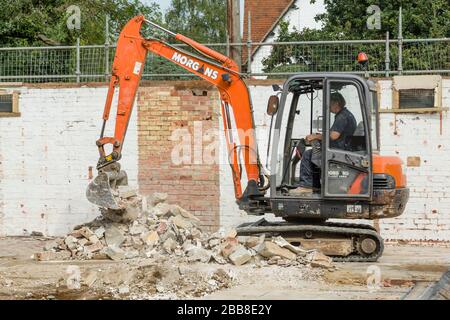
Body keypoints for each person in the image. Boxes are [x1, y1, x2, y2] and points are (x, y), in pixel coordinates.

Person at [297, 92, 356, 192]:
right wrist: (318, 136)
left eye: (330, 103)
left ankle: (306, 186)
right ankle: (314, 186)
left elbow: (333, 136)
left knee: (308, 155)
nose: (328, 106)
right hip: (342, 149)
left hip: (339, 151)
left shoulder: (342, 116)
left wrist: (316, 136)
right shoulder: (345, 115)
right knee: (313, 154)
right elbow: (334, 134)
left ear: (336, 103)